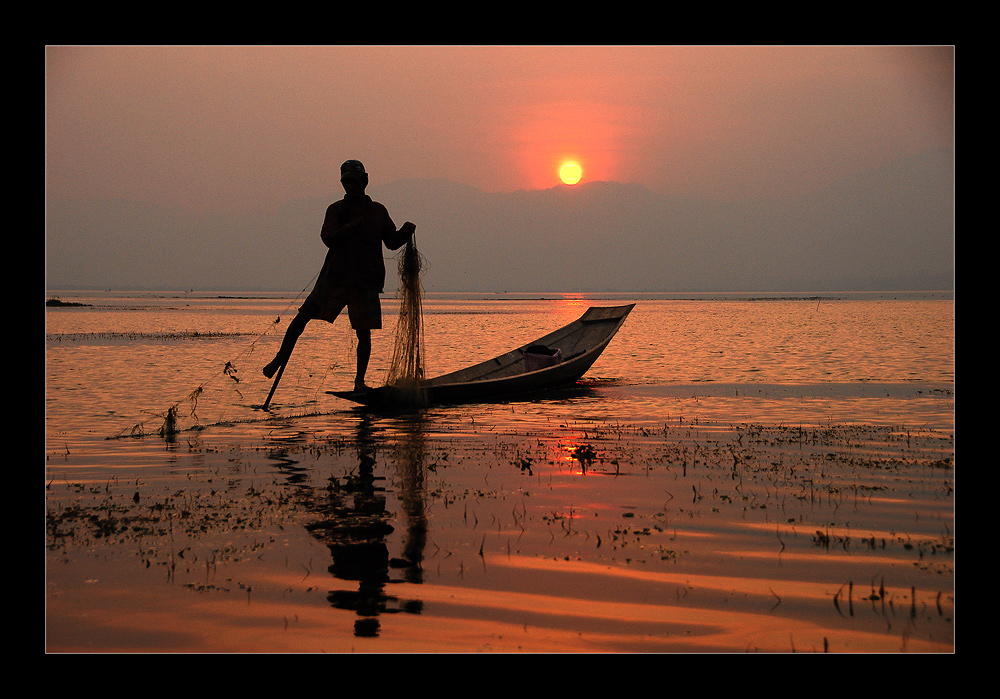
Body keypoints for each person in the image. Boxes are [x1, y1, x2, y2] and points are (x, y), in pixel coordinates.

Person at [263, 160, 416, 391]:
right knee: (303, 316)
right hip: (335, 277)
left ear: (364, 181)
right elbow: (328, 238)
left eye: (354, 182)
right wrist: (350, 227)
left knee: (364, 335)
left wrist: (405, 232)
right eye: (346, 183)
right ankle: (280, 358)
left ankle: (359, 383)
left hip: (365, 282)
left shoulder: (378, 211)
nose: (350, 187)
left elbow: (391, 242)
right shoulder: (336, 210)